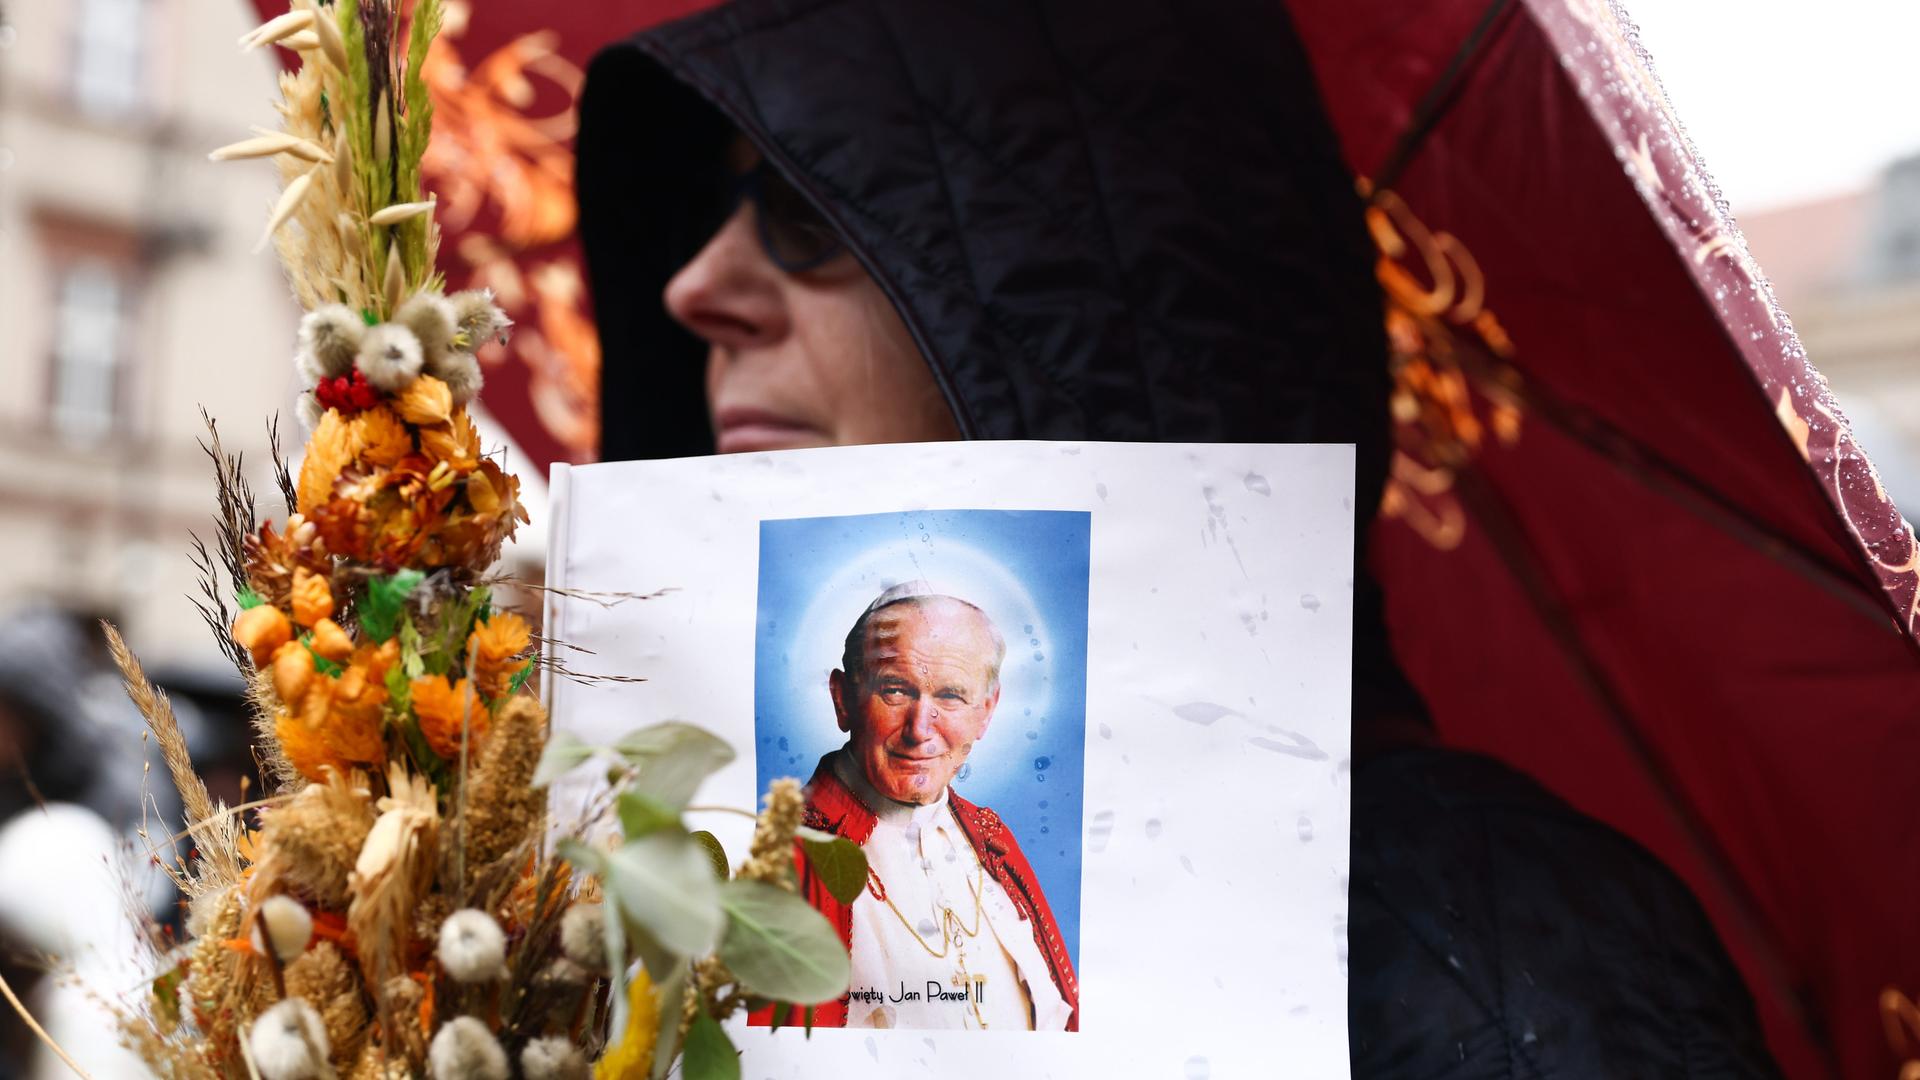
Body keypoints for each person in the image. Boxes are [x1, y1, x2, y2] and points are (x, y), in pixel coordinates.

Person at [576, 0, 1782, 1073]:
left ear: (1071, 282)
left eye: (803, 208)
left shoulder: (1495, 938)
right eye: (889, 686)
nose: (696, 285)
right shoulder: (610, 892)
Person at [780, 582, 1076, 1031]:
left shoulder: (990, 837)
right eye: (896, 690)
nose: (921, 729)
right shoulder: (788, 858)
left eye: (951, 696)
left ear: (987, 711)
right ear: (842, 699)